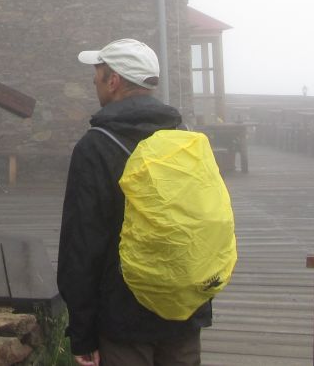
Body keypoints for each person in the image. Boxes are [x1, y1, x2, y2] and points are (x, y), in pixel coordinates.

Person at [57, 39, 211, 366]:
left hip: (123, 319)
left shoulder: (96, 146)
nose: (94, 82)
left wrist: (82, 332)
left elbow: (82, 245)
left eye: (97, 75)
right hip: (182, 310)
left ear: (113, 81)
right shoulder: (183, 137)